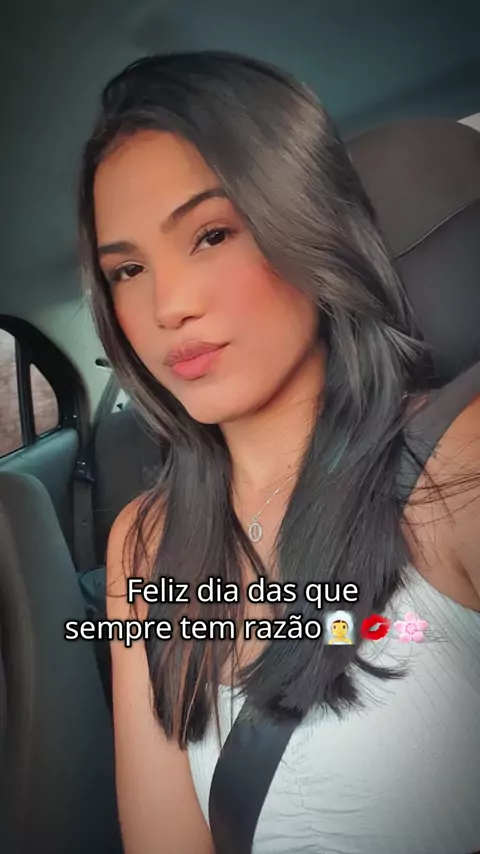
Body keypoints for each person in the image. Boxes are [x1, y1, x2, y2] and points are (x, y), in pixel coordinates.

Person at [78, 50, 480, 854]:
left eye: (212, 234)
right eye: (128, 269)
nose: (167, 305)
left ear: (308, 222)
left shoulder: (459, 464)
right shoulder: (142, 546)